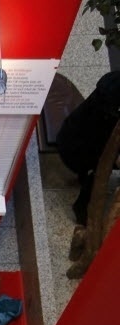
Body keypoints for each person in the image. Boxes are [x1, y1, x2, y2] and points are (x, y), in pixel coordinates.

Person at [55, 70, 120, 226]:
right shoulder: (110, 99)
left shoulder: (111, 84)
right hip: (84, 146)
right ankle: (83, 212)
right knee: (98, 173)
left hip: (78, 137)